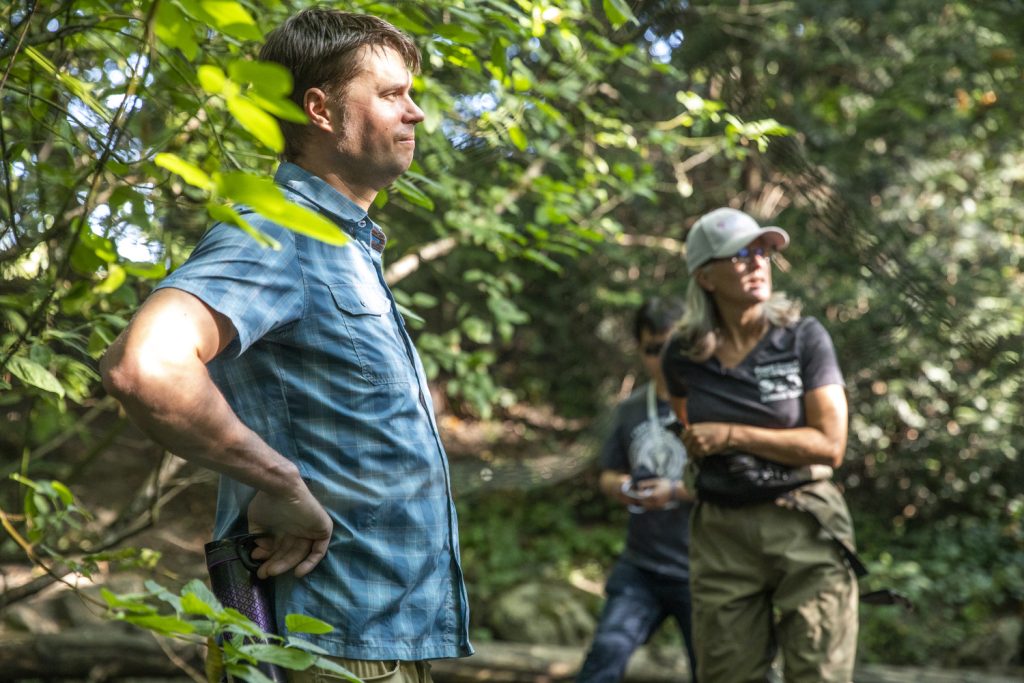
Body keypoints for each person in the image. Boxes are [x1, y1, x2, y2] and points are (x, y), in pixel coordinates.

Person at [100, 8, 472, 680]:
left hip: (374, 637)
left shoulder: (345, 249)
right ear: (320, 110)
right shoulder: (276, 236)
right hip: (325, 644)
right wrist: (279, 480)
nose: (415, 114)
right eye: (391, 95)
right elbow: (146, 365)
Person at [662, 207, 858, 683]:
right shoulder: (683, 354)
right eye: (740, 255)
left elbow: (830, 445)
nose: (757, 263)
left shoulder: (803, 338)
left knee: (819, 673)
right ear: (706, 277)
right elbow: (689, 432)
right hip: (721, 532)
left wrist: (732, 435)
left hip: (803, 518)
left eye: (763, 251)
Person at [577, 297, 697, 683]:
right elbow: (607, 474)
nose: (662, 358)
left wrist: (675, 492)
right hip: (642, 564)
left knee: (715, 669)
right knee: (604, 657)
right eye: (652, 349)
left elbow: (733, 485)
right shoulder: (631, 408)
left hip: (702, 568)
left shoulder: (711, 405)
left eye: (671, 346)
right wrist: (625, 488)